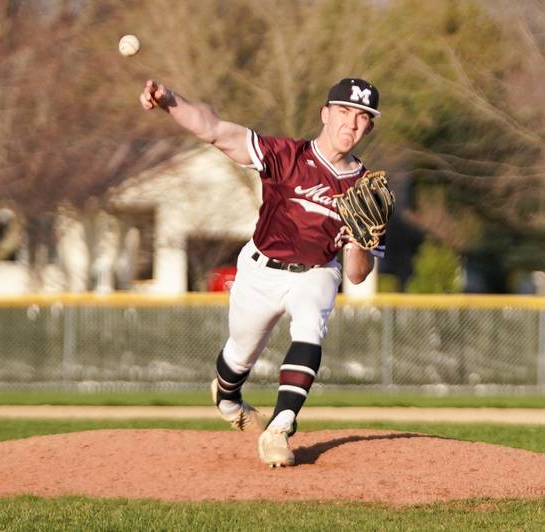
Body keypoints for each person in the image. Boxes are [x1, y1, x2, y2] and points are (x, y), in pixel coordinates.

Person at [140, 77, 385, 467]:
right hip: (261, 269)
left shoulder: (367, 190)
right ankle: (226, 395)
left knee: (310, 324)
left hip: (317, 271)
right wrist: (170, 101)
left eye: (361, 117)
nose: (350, 124)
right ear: (325, 114)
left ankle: (280, 427)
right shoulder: (284, 156)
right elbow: (215, 129)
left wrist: (361, 242)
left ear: (369, 127)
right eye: (343, 112)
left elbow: (357, 274)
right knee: (240, 355)